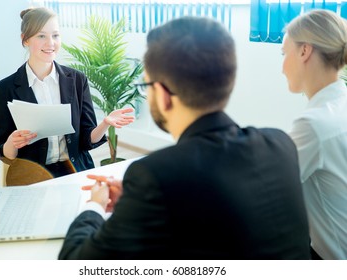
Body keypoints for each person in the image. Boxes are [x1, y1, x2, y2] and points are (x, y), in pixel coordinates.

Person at [59, 16, 310, 260]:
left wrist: (94, 205)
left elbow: (76, 262)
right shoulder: (280, 145)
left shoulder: (154, 174)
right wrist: (140, 199)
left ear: (163, 94)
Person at [0, 7, 134, 180]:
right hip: (32, 176)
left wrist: (105, 123)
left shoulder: (77, 80)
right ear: (25, 40)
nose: (50, 43)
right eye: (41, 36)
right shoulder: (5, 88)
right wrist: (11, 143)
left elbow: (86, 140)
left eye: (55, 35)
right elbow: (3, 152)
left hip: (75, 170)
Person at [282, 9, 347, 260]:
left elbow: (263, 186)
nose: (282, 68)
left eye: (284, 53)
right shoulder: (338, 106)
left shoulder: (314, 124)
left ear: (304, 51)